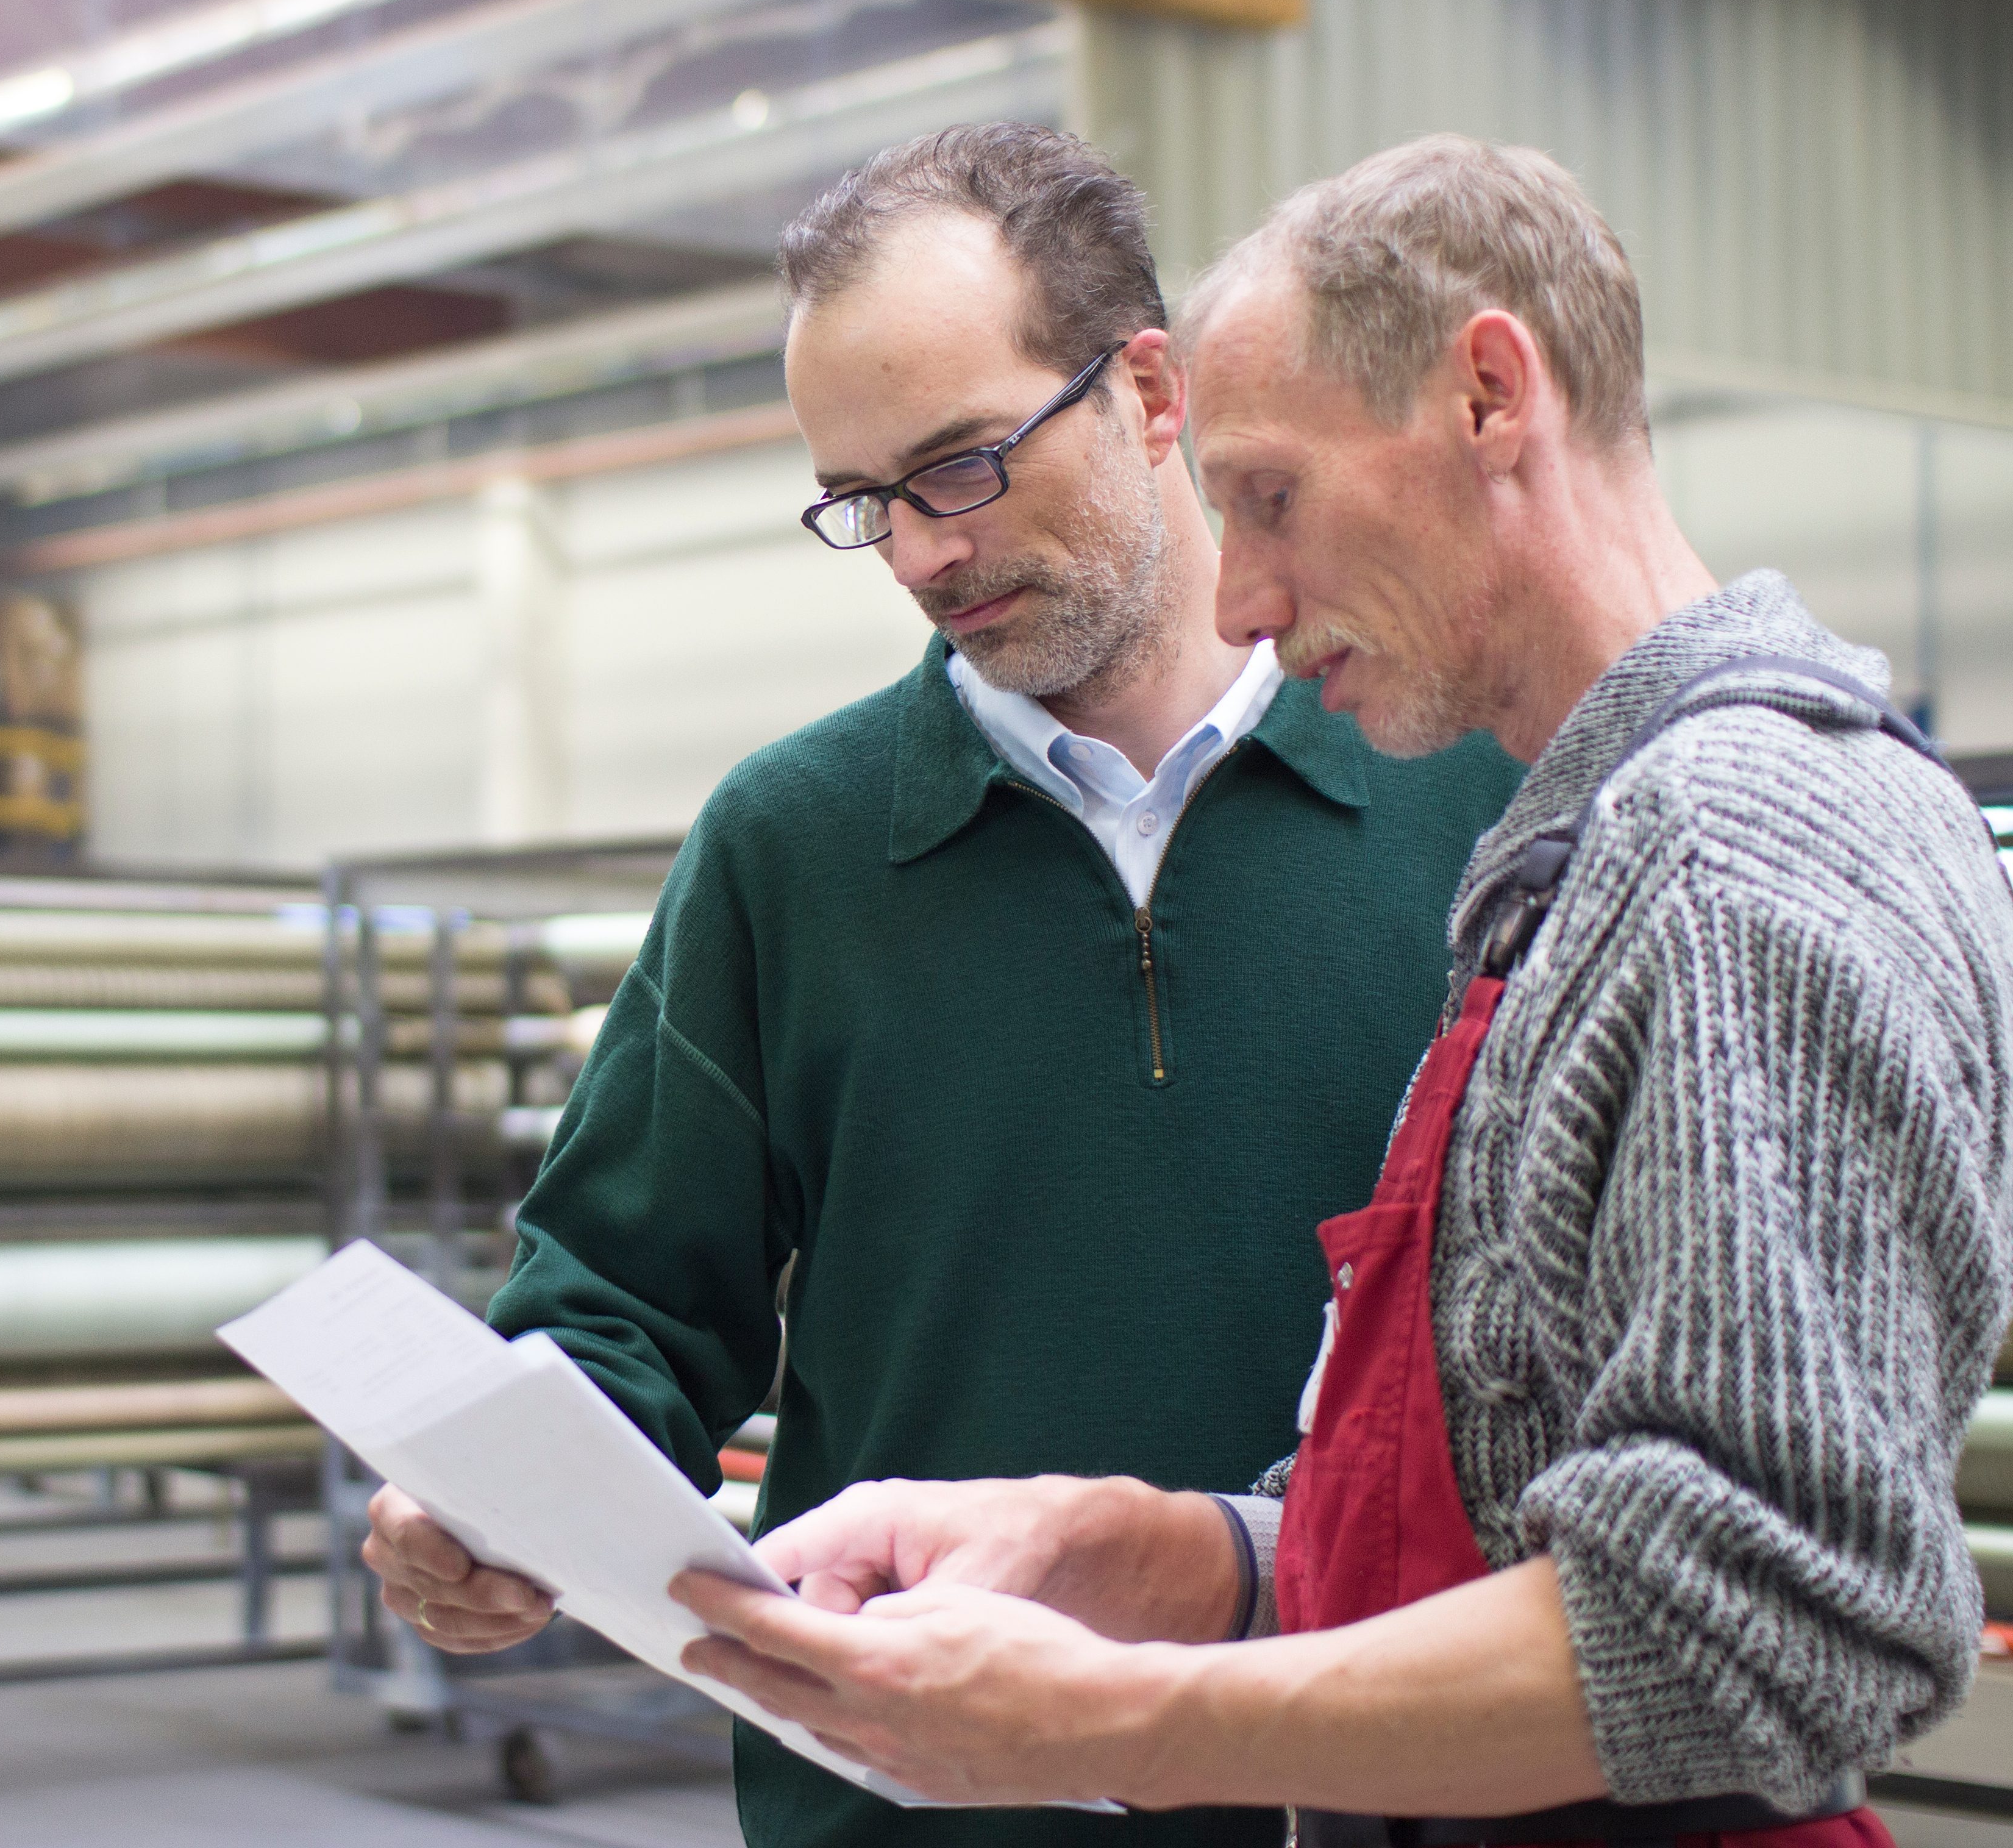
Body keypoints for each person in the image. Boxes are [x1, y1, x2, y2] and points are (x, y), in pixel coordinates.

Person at [671, 136, 2013, 1846]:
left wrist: (1119, 1719)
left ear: (1487, 397)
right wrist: (1128, 1552)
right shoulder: (1587, 854)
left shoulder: (1729, 851)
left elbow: (1754, 1617)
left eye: (1276, 497)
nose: (1240, 592)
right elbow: (1497, 1522)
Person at [362, 122, 1521, 1848]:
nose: (916, 555)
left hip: (1374, 1787)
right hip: (913, 1809)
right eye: (861, 502)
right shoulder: (791, 847)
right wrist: (493, 1497)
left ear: (1149, 393)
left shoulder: (1471, 789)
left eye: (960, 467)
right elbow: (619, 1297)